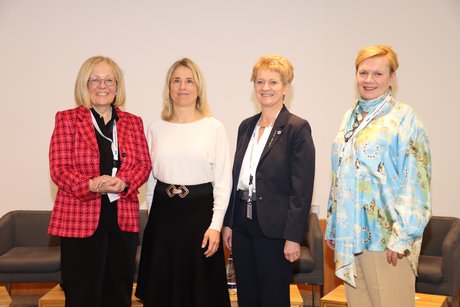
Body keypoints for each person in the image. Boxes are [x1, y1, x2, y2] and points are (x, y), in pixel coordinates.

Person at [325, 45, 432, 307]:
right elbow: (340, 174)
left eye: (378, 74)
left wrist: (402, 237)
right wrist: (334, 224)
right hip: (351, 239)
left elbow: (416, 182)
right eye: (363, 73)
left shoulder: (405, 119)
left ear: (392, 77)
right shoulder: (350, 116)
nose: (369, 80)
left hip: (387, 242)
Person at [48, 56, 152, 307]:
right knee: (82, 293)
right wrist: (92, 184)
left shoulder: (133, 122)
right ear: (84, 84)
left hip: (121, 218)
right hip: (79, 220)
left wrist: (124, 182)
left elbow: (143, 164)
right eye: (94, 79)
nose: (101, 85)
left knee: (118, 292)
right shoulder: (67, 119)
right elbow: (59, 169)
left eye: (108, 80)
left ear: (117, 86)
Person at [135, 58, 232, 307]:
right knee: (162, 290)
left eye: (189, 81)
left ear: (198, 88)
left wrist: (216, 227)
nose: (182, 86)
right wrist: (151, 218)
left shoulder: (214, 128)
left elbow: (222, 182)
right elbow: (151, 178)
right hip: (163, 217)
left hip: (200, 218)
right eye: (176, 80)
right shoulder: (156, 127)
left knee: (200, 293)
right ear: (169, 88)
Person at [222, 55, 316, 307]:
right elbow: (236, 178)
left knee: (273, 297)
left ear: (286, 88)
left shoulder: (297, 128)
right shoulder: (246, 126)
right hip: (242, 222)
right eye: (260, 81)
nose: (266, 88)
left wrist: (294, 237)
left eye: (273, 82)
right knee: (247, 295)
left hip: (276, 229)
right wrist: (229, 223)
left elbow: (302, 189)